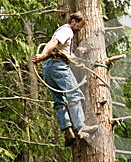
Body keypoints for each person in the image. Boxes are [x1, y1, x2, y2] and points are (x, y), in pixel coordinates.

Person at [32, 12, 98, 147]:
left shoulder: (63, 32)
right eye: (79, 25)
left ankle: (67, 131)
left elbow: (65, 52)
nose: (80, 28)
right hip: (58, 67)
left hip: (49, 70)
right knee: (74, 94)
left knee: (59, 101)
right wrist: (42, 54)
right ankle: (81, 127)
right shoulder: (67, 30)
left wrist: (79, 63)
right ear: (73, 21)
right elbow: (53, 42)